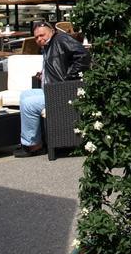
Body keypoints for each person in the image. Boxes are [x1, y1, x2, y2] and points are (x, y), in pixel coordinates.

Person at [15, 21, 89, 157]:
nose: (39, 39)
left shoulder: (61, 39)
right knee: (25, 95)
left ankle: (33, 145)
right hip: (52, 89)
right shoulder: (49, 44)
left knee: (29, 104)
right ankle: (35, 139)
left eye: (42, 35)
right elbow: (59, 63)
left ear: (52, 31)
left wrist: (68, 79)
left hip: (60, 92)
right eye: (36, 37)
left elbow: (83, 56)